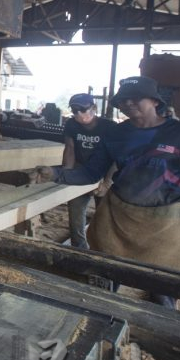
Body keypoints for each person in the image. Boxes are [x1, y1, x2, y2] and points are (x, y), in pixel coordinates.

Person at [31, 76, 180, 308]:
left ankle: (163, 332)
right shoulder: (116, 134)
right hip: (118, 221)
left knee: (163, 289)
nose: (128, 103)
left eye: (136, 98)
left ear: (155, 101)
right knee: (105, 282)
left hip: (167, 227)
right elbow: (91, 173)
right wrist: (55, 174)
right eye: (123, 100)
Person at [61, 93, 116, 249]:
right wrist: (67, 175)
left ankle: (104, 250)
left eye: (83, 109)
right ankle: (79, 249)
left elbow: (116, 158)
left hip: (105, 173)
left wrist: (107, 182)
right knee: (75, 214)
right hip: (81, 173)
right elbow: (70, 149)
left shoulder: (109, 127)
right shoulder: (72, 125)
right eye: (75, 110)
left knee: (105, 216)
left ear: (94, 108)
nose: (79, 114)